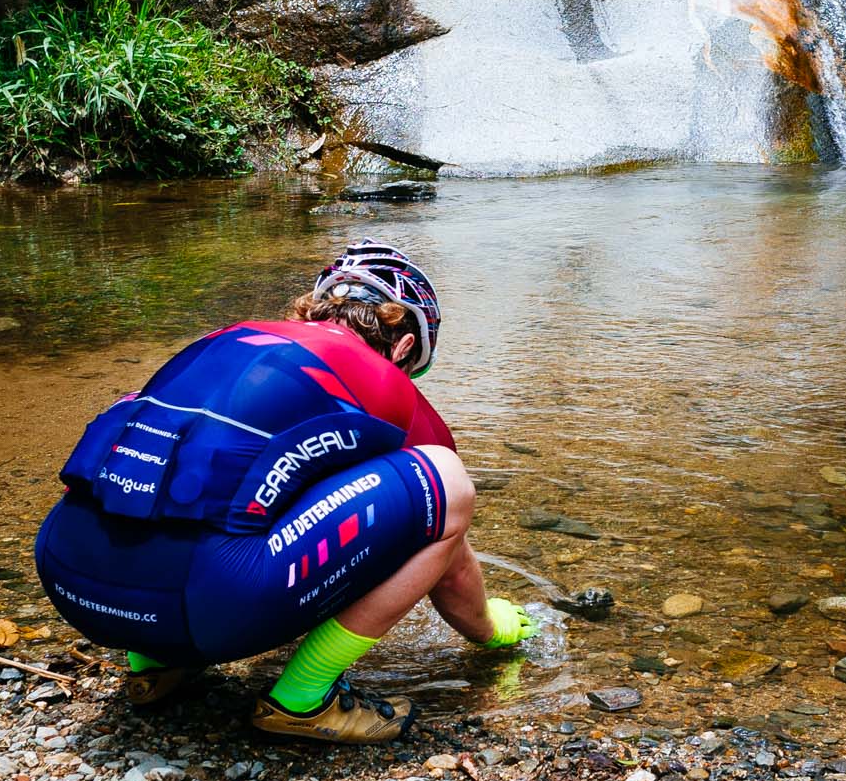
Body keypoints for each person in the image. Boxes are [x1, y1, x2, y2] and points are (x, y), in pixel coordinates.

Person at [34, 240, 533, 742]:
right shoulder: (386, 380)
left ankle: (154, 667)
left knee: (209, 485)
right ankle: (303, 699)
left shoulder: (223, 340)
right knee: (444, 481)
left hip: (70, 585)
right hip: (201, 610)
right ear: (403, 346)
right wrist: (492, 628)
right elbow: (448, 544)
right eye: (413, 364)